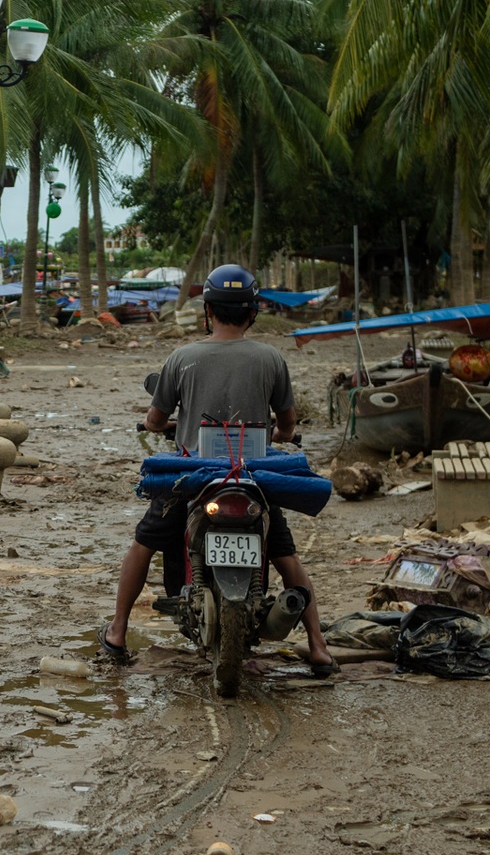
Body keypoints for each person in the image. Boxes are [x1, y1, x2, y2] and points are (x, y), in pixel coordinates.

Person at [101, 263, 336, 675]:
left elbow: (155, 421)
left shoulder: (182, 358)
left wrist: (169, 425)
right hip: (252, 477)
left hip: (195, 478)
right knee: (285, 554)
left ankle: (118, 631)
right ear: (253, 311)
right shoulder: (271, 359)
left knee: (144, 542)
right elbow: (287, 424)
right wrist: (279, 435)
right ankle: (318, 645)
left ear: (208, 310)